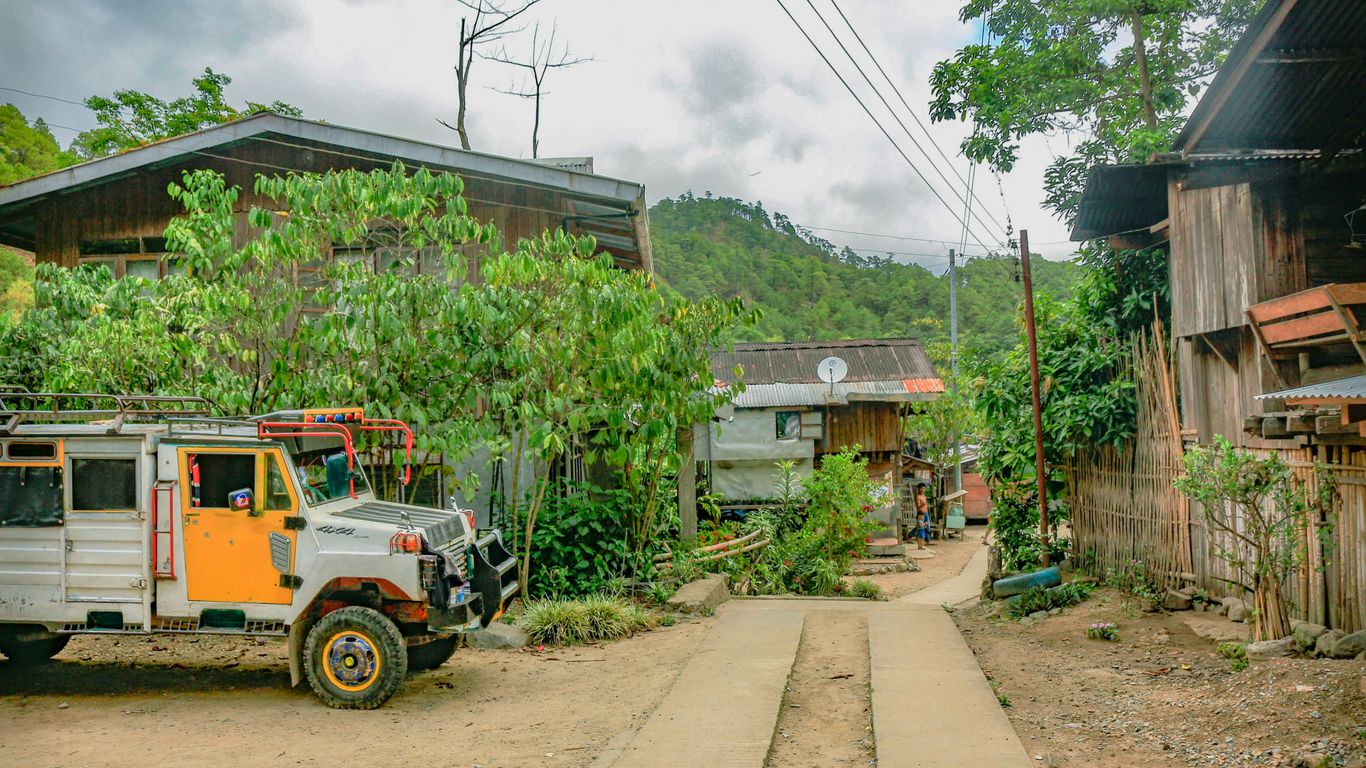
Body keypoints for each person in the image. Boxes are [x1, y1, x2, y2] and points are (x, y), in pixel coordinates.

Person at [913, 483, 930, 550]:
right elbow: (918, 506)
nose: (923, 490)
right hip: (921, 514)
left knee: (927, 527)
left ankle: (926, 541)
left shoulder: (924, 496)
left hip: (926, 513)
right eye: (921, 488)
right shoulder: (918, 496)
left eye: (924, 488)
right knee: (921, 528)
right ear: (919, 489)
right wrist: (923, 504)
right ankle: (920, 544)